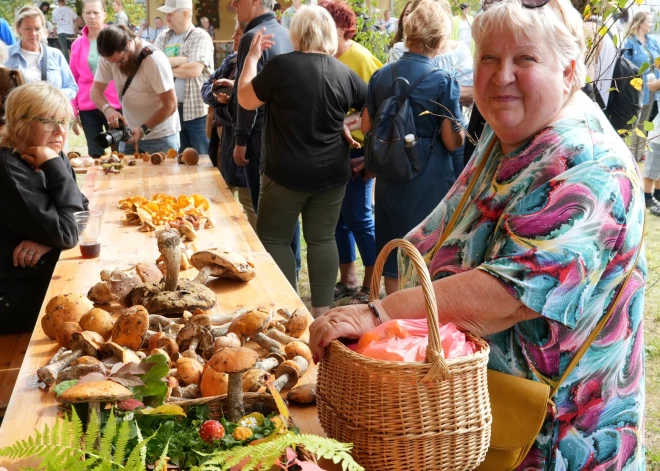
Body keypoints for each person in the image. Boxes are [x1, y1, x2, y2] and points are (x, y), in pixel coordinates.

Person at [310, 1, 646, 469]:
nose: (500, 75)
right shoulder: (517, 128)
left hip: (552, 438)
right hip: (475, 420)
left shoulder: (588, 165)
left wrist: (380, 314)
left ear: (569, 71)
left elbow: (508, 293)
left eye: (524, 59)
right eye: (488, 57)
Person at [238, 5, 367, 318]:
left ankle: (289, 308)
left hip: (284, 173)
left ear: (297, 33)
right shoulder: (343, 72)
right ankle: (321, 313)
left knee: (274, 238)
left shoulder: (281, 67)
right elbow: (370, 111)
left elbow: (244, 98)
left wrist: (252, 59)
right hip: (331, 175)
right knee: (322, 238)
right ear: (328, 34)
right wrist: (345, 124)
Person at [364, 0, 463, 295]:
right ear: (439, 39)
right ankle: (422, 322)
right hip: (429, 180)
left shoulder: (381, 76)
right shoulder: (443, 81)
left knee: (392, 250)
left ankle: (394, 317)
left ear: (408, 33)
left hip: (390, 176)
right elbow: (450, 139)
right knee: (425, 253)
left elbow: (368, 127)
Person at [0, 82, 89, 334]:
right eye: (49, 122)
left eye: (65, 122)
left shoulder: (49, 153)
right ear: (20, 121)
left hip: (43, 275)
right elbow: (69, 232)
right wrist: (58, 234)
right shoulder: (9, 168)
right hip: (16, 296)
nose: (61, 131)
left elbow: (81, 207)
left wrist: (48, 240)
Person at [231, 0, 302, 274]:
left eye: (237, 2)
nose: (235, 7)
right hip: (284, 134)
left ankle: (279, 273)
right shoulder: (285, 32)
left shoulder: (253, 36)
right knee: (286, 209)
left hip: (260, 136)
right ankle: (292, 267)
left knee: (268, 213)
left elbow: (246, 95)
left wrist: (240, 140)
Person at [319, 0, 381, 304]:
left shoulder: (361, 58)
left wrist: (372, 157)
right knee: (337, 220)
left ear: (343, 27)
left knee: (359, 217)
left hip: (359, 152)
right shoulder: (325, 58)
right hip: (333, 153)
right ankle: (348, 278)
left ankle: (372, 282)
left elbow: (380, 106)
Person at [202, 20, 257, 229]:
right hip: (225, 142)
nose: (233, 38)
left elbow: (250, 101)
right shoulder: (231, 61)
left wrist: (233, 91)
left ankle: (259, 250)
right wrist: (217, 97)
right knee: (221, 197)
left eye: (239, 34)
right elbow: (206, 87)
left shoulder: (260, 66)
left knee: (249, 202)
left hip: (248, 142)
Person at [92, 25, 180, 153]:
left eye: (121, 60)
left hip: (160, 137)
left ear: (128, 44)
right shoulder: (108, 58)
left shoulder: (154, 60)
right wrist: (108, 110)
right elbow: (95, 91)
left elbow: (170, 105)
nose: (117, 65)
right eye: (112, 62)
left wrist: (143, 129)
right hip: (129, 134)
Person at [155, 0, 214, 155]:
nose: (166, 18)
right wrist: (183, 59)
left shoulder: (200, 36)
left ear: (185, 14)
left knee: (203, 162)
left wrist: (164, 66)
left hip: (197, 113)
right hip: (170, 111)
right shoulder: (163, 37)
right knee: (178, 163)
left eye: (170, 14)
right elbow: (153, 66)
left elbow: (194, 70)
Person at [69, 0, 121, 157]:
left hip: (116, 105)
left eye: (96, 12)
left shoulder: (116, 38)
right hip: (88, 107)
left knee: (121, 152)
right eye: (88, 13)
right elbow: (73, 78)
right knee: (95, 154)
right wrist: (74, 109)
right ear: (82, 16)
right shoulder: (77, 44)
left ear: (104, 15)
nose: (92, 16)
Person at [4, 5, 78, 101]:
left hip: (51, 113)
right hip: (18, 113)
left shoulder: (55, 54)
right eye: (27, 28)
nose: (33, 33)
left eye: (37, 28)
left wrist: (51, 96)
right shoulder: (5, 54)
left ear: (43, 28)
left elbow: (72, 88)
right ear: (18, 29)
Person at [624, 11, 660, 162]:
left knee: (645, 123)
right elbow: (625, 66)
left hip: (652, 90)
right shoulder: (630, 42)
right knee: (634, 124)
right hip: (636, 91)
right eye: (649, 22)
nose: (651, 25)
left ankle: (639, 154)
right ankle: (631, 156)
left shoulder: (652, 41)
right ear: (640, 23)